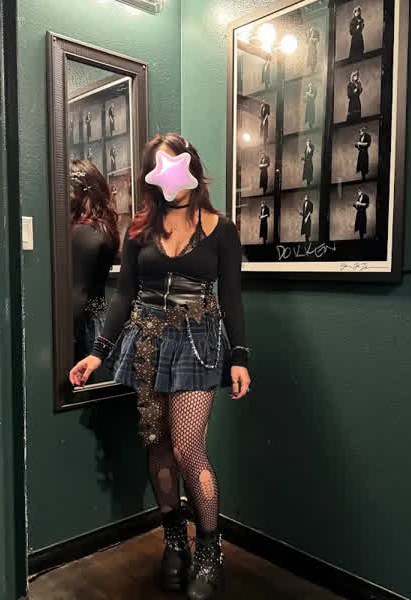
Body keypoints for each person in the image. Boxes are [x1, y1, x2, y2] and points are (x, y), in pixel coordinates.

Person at [69, 133, 251, 600]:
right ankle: (174, 542)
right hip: (148, 342)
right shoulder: (139, 230)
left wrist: (240, 357)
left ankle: (208, 551)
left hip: (198, 342)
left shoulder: (221, 229)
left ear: (192, 166)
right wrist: (98, 352)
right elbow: (124, 295)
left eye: (173, 164)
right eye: (158, 167)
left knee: (189, 449)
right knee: (159, 448)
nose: (168, 176)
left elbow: (231, 297)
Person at [70, 159, 119, 365]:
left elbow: (77, 293)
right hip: (96, 318)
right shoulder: (102, 228)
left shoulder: (84, 232)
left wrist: (62, 333)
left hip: (82, 325)